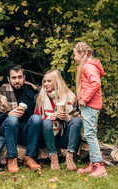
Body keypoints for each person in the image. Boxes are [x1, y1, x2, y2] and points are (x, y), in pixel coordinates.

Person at [0, 65, 43, 173]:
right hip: (8, 132)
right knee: (12, 119)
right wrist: (7, 114)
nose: (17, 81)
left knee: (37, 118)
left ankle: (30, 157)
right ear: (8, 79)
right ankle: (11, 159)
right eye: (14, 78)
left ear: (24, 78)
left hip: (26, 133)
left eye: (19, 77)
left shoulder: (34, 92)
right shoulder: (0, 93)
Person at [35, 70, 82, 170]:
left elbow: (77, 121)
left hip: (64, 136)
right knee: (47, 122)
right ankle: (53, 157)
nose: (46, 84)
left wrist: (66, 118)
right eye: (44, 81)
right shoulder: (41, 98)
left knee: (77, 121)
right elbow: (36, 121)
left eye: (49, 81)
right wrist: (48, 117)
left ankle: (70, 157)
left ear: (57, 81)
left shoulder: (70, 97)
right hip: (47, 137)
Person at [73, 41, 108, 177]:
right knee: (89, 133)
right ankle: (93, 164)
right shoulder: (87, 66)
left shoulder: (88, 67)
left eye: (75, 54)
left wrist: (84, 99)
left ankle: (99, 166)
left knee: (90, 135)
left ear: (82, 54)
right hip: (89, 105)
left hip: (90, 105)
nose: (74, 58)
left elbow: (96, 83)